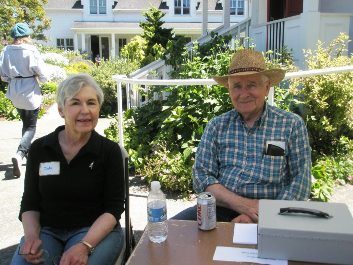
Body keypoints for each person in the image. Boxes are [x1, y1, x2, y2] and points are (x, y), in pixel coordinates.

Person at [173, 49, 311, 223]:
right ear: (229, 90)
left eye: (251, 85)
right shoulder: (217, 126)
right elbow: (201, 177)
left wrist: (260, 215)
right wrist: (243, 206)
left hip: (273, 214)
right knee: (169, 233)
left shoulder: (290, 125)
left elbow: (301, 182)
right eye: (237, 86)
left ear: (266, 87)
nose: (244, 94)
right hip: (219, 209)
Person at [10, 73, 125, 265]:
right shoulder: (40, 148)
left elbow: (113, 209)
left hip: (93, 231)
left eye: (91, 102)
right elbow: (30, 202)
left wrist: (84, 245)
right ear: (61, 110)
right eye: (75, 103)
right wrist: (31, 238)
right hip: (48, 231)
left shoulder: (109, 151)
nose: (85, 110)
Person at [0, 22, 48, 177]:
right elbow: (43, 74)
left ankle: (25, 153)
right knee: (31, 127)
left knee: (25, 123)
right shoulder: (31, 50)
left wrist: (13, 78)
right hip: (29, 91)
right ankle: (20, 153)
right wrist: (41, 79)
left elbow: (3, 74)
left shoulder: (6, 50)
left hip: (15, 90)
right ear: (27, 36)